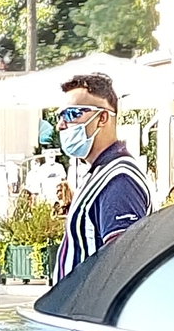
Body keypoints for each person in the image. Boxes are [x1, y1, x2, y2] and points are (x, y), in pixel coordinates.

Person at [50, 72, 150, 282]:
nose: (60, 125)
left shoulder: (119, 179)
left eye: (71, 114)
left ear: (103, 117)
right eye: (59, 116)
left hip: (88, 313)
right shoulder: (101, 172)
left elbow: (122, 267)